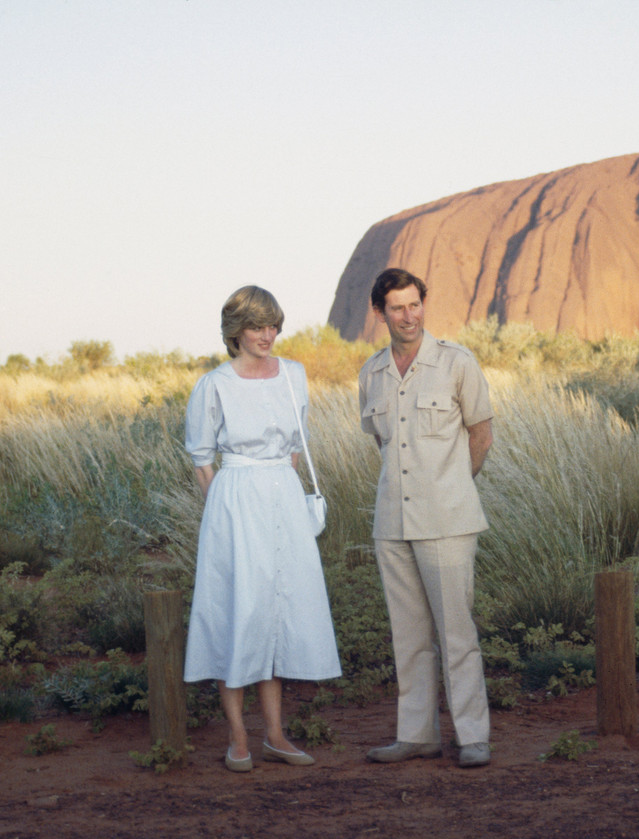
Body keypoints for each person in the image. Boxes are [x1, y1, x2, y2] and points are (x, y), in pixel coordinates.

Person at [184, 286, 341, 772]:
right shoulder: (214, 384)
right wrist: (225, 510)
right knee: (238, 610)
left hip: (283, 496)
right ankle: (238, 738)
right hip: (234, 503)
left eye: (273, 325)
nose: (267, 335)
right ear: (236, 332)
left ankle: (275, 735)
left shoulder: (294, 375)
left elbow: (296, 444)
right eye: (256, 326)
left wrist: (278, 484)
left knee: (278, 610)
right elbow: (200, 457)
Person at [358, 268, 494, 768]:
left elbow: (481, 434)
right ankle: (417, 734)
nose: (408, 315)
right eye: (397, 307)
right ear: (380, 312)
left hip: (448, 520)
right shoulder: (371, 373)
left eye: (415, 304)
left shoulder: (457, 363)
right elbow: (384, 442)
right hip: (392, 523)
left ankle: (473, 736)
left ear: (423, 305)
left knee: (457, 633)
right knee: (408, 635)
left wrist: (454, 486)